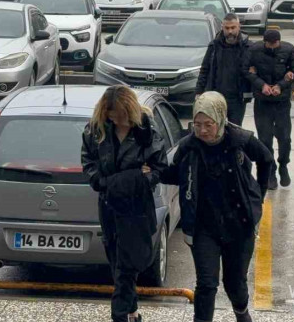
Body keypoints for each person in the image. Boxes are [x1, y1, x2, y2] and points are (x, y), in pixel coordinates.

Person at [161, 91, 274, 322]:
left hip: (239, 224)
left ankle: (242, 312)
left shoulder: (240, 139)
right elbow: (175, 175)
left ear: (220, 119)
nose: (202, 130)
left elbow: (266, 160)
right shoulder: (189, 146)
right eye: (197, 124)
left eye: (208, 124)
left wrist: (257, 196)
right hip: (204, 227)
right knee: (206, 282)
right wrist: (151, 171)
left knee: (234, 281)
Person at [81, 86, 168, 322]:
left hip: (137, 206)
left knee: (126, 268)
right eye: (112, 114)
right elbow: (88, 162)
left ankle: (119, 316)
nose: (117, 119)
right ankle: (133, 314)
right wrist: (105, 181)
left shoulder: (146, 129)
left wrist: (143, 179)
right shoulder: (95, 130)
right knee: (117, 263)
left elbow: (159, 166)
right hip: (109, 205)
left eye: (121, 114)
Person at [244, 29, 294, 190]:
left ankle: (283, 164)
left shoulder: (288, 49)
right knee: (265, 140)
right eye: (269, 44)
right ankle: (271, 172)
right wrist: (260, 84)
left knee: (285, 138)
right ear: (265, 42)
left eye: (275, 44)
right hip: (262, 102)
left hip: (281, 102)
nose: (272, 47)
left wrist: (282, 85)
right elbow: (245, 70)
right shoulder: (255, 50)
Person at [196, 14, 252, 125]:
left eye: (233, 28)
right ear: (222, 27)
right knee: (215, 128)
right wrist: (198, 92)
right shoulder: (214, 46)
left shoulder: (248, 47)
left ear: (239, 27)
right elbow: (205, 69)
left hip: (237, 98)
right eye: (227, 28)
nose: (230, 31)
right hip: (215, 97)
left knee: (235, 129)